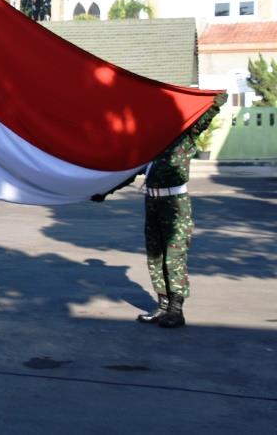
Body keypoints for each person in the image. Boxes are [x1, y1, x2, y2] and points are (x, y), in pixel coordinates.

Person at [92, 94, 225, 329]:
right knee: (155, 255)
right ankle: (163, 305)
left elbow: (204, 118)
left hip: (175, 203)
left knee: (174, 255)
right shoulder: (151, 147)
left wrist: (214, 101)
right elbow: (131, 174)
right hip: (152, 203)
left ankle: (176, 309)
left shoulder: (185, 138)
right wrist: (106, 191)